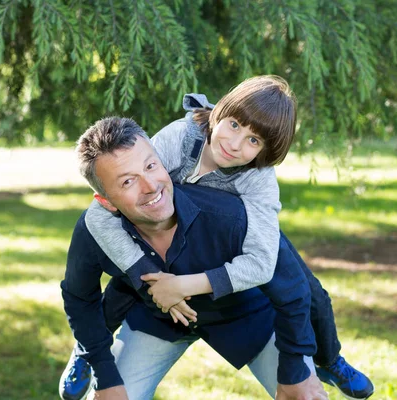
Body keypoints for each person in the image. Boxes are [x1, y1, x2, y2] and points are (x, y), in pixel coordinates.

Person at [60, 76, 374, 400]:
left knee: (308, 290)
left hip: (228, 263)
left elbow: (264, 264)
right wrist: (144, 274)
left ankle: (329, 359)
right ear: (220, 111)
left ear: (267, 152)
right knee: (123, 285)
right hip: (162, 254)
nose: (235, 144)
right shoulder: (180, 138)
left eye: (254, 141)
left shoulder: (258, 183)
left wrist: (184, 286)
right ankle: (87, 351)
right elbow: (122, 185)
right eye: (235, 124)